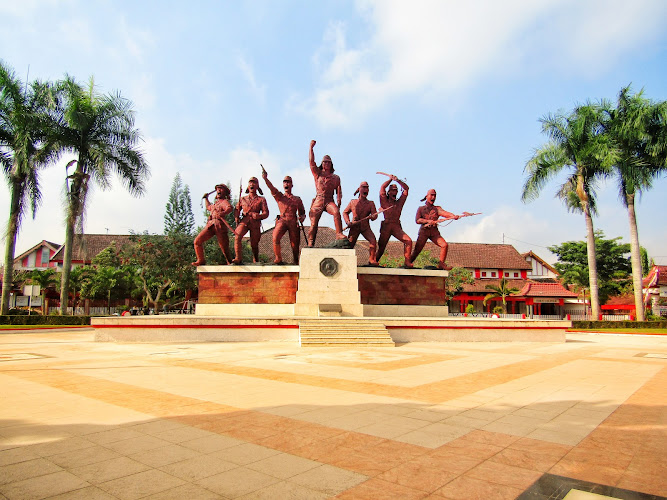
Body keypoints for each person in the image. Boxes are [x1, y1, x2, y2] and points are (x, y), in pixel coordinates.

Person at [262, 169, 306, 264]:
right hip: (282, 219)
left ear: (292, 185)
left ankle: (295, 260)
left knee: (295, 245)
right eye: (285, 182)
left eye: (288, 182)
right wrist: (265, 179)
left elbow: (302, 212)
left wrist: (302, 217)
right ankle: (278, 257)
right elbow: (271, 188)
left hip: (293, 220)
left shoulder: (297, 199)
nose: (286, 184)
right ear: (283, 185)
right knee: (275, 237)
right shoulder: (280, 197)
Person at [409, 189, 459, 270]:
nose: (433, 197)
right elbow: (417, 220)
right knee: (417, 250)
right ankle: (408, 263)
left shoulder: (437, 209)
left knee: (444, 245)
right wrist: (428, 221)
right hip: (424, 232)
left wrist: (453, 216)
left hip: (434, 232)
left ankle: (441, 264)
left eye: (434, 195)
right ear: (427, 196)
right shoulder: (421, 209)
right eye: (431, 195)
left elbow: (445, 213)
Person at [307, 139, 344, 246]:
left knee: (336, 212)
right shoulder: (317, 173)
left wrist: (339, 198)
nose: (326, 163)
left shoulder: (336, 177)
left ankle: (339, 233)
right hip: (319, 199)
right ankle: (310, 242)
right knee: (313, 223)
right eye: (325, 162)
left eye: (328, 162)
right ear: (322, 163)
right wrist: (311, 148)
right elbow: (311, 162)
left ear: (331, 164)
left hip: (329, 200)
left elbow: (339, 189)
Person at [192, 184, 234, 266]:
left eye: (221, 189)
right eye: (218, 189)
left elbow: (229, 208)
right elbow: (208, 207)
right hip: (211, 225)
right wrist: (206, 199)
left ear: (224, 192)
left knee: (224, 247)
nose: (219, 190)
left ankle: (229, 261)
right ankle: (200, 260)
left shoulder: (224, 202)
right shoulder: (215, 204)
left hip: (220, 225)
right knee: (197, 241)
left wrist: (223, 213)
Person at [376, 174, 413, 268]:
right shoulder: (384, 201)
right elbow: (382, 187)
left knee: (408, 241)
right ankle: (374, 261)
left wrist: (397, 181)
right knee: (381, 248)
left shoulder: (399, 203)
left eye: (396, 190)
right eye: (392, 190)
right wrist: (390, 180)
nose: (394, 192)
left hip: (396, 226)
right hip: (386, 226)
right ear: (389, 192)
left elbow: (406, 189)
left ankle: (407, 262)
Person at [233, 177, 269, 264]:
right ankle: (238, 257)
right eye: (250, 183)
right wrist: (236, 216)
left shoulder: (261, 199)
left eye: (254, 183)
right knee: (237, 236)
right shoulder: (243, 199)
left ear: (257, 186)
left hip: (255, 222)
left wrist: (259, 216)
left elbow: (266, 213)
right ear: (248, 186)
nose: (252, 185)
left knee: (254, 244)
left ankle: (256, 259)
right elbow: (237, 210)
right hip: (244, 221)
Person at [343, 181, 379, 265]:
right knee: (349, 245)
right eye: (364, 187)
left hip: (365, 227)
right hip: (354, 227)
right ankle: (346, 261)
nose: (366, 189)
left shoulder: (370, 203)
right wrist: (348, 222)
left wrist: (372, 216)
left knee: (373, 241)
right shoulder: (353, 202)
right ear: (359, 189)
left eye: (367, 188)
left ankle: (371, 259)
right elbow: (345, 212)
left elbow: (375, 216)